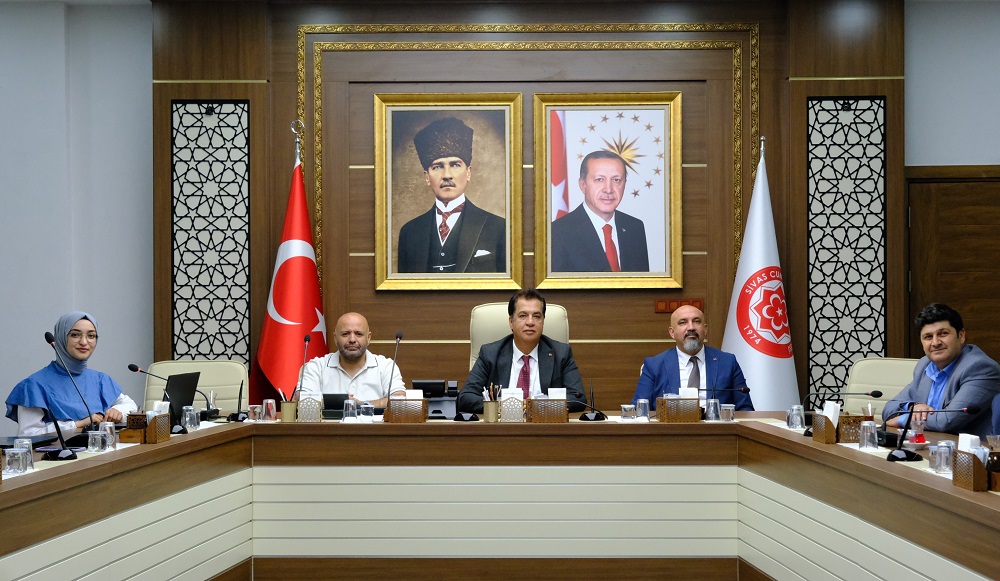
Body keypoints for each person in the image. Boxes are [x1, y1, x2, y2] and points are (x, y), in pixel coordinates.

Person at [397, 117, 506, 274]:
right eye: (437, 167)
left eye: (455, 165)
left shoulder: (498, 227)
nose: (447, 175)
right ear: (427, 177)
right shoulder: (409, 232)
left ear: (468, 173)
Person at [5, 311, 138, 437]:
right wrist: (78, 424)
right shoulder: (34, 385)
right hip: (58, 453)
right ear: (61, 338)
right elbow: (29, 435)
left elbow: (130, 405)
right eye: (75, 335)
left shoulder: (99, 379)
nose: (84, 342)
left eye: (91, 336)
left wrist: (118, 412)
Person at [458, 288, 586, 413]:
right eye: (523, 316)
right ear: (511, 322)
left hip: (544, 425)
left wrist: (538, 405)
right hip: (503, 425)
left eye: (537, 316)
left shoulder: (561, 354)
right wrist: (500, 406)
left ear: (543, 322)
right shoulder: (490, 354)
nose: (530, 322)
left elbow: (578, 398)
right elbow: (466, 397)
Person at [882, 303, 1000, 437]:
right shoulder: (925, 365)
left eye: (943, 334)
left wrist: (903, 419)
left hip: (969, 449)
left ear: (961, 336)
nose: (935, 342)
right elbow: (889, 409)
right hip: (930, 444)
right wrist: (912, 407)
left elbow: (948, 421)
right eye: (928, 337)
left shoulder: (980, 368)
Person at [632, 305, 754, 411]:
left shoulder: (727, 362)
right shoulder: (654, 365)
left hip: (716, 429)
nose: (691, 327)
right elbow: (639, 409)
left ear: (705, 329)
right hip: (671, 429)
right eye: (683, 322)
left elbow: (745, 409)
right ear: (672, 332)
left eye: (696, 321)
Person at [550, 150, 649, 272]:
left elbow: (642, 282)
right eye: (599, 179)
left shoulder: (634, 227)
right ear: (583, 185)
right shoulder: (557, 233)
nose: (608, 189)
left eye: (616, 180)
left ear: (624, 184)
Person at [298, 312, 405, 407]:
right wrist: (339, 402)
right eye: (345, 334)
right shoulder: (317, 366)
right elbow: (300, 399)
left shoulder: (386, 366)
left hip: (374, 424)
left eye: (358, 334)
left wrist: (362, 405)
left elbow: (399, 400)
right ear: (335, 338)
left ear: (368, 338)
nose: (352, 340)